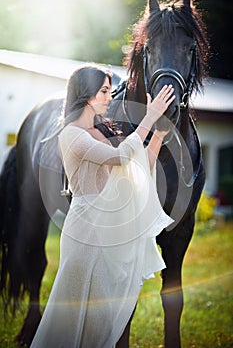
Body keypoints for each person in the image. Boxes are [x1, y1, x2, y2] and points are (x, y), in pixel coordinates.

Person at [30, 65, 175, 348]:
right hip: (86, 234)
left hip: (108, 231)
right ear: (86, 95)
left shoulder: (99, 132)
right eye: (104, 91)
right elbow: (121, 158)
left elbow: (139, 164)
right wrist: (148, 117)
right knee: (73, 321)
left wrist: (158, 133)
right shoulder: (71, 135)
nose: (110, 97)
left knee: (103, 321)